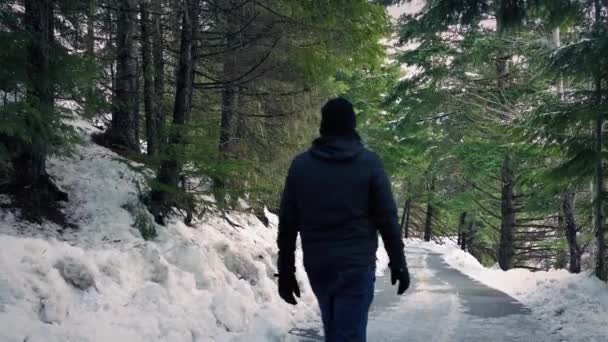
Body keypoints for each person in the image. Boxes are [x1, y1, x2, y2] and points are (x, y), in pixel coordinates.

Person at [276, 98, 410, 342]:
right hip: (356, 266)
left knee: (335, 331)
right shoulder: (369, 163)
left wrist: (285, 271)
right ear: (352, 125)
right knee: (349, 334)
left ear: (323, 126)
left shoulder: (302, 166)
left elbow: (287, 224)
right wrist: (398, 261)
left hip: (319, 266)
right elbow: (387, 218)